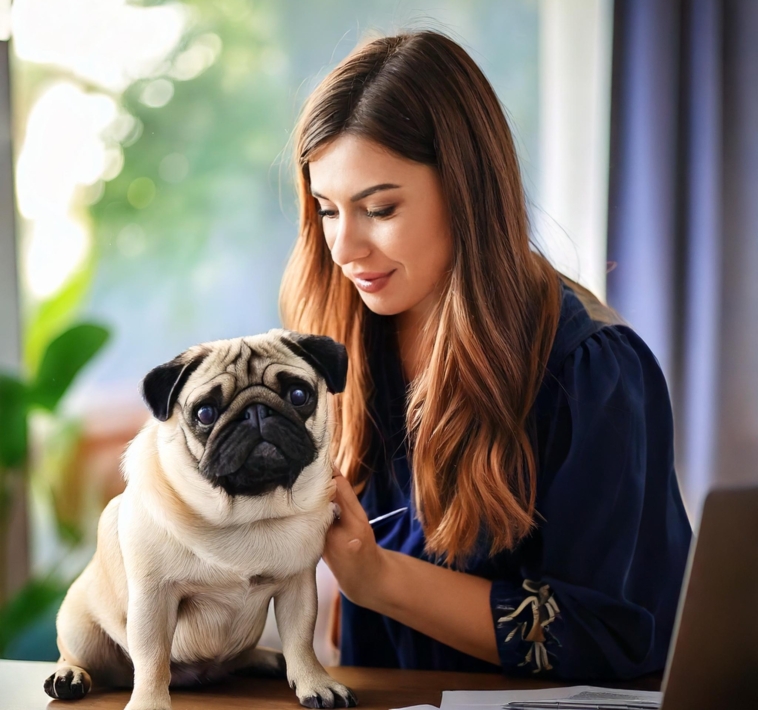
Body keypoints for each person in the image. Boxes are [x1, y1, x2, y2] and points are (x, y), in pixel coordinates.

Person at [279, 30, 692, 679]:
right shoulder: (345, 341)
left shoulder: (592, 370)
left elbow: (610, 636)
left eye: (379, 208)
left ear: (466, 191)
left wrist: (378, 577)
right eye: (328, 211)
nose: (344, 248)